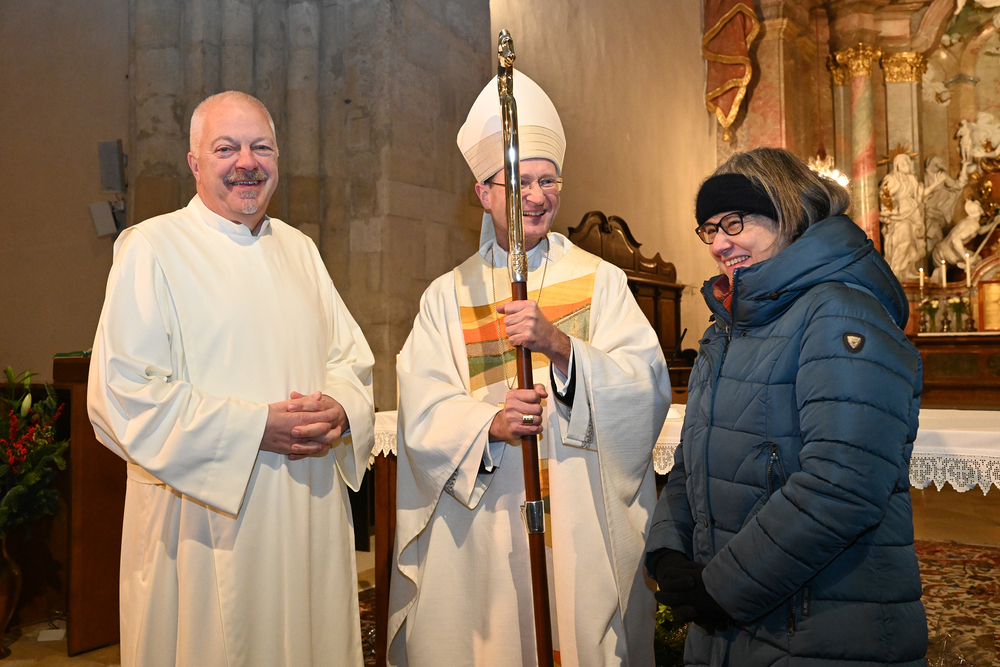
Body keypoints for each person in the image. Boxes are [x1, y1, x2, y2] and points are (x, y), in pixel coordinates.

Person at [388, 71, 671, 666]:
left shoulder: (601, 281)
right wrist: (489, 424)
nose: (537, 197)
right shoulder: (448, 295)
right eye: (519, 182)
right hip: (482, 524)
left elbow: (645, 387)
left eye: (548, 181)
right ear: (483, 192)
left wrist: (559, 347)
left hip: (577, 515)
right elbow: (422, 407)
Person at [88, 91, 376, 667]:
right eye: (226, 149)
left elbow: (349, 359)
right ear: (195, 163)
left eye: (260, 147)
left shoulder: (301, 250)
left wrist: (342, 407)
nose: (247, 162)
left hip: (306, 511)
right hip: (204, 524)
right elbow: (122, 395)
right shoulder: (152, 248)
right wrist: (254, 428)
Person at [645, 147, 927, 666]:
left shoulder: (841, 311)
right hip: (730, 625)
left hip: (821, 626)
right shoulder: (727, 327)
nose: (720, 243)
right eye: (709, 229)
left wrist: (721, 589)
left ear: (788, 212)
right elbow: (693, 461)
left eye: (736, 222)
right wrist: (668, 552)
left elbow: (843, 485)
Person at [879, 153, 925, 281]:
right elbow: (884, 196)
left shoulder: (912, 179)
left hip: (912, 213)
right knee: (904, 241)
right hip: (898, 215)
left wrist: (933, 186)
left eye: (908, 163)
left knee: (913, 243)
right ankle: (895, 270)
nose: (907, 166)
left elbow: (919, 197)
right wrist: (895, 190)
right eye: (904, 163)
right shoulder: (891, 179)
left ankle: (906, 270)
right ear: (897, 166)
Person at [932, 198, 993, 280]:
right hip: (948, 251)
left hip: (940, 250)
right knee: (977, 260)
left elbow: (980, 231)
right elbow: (955, 240)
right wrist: (965, 257)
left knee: (940, 276)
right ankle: (974, 283)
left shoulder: (967, 221)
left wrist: (994, 223)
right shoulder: (973, 225)